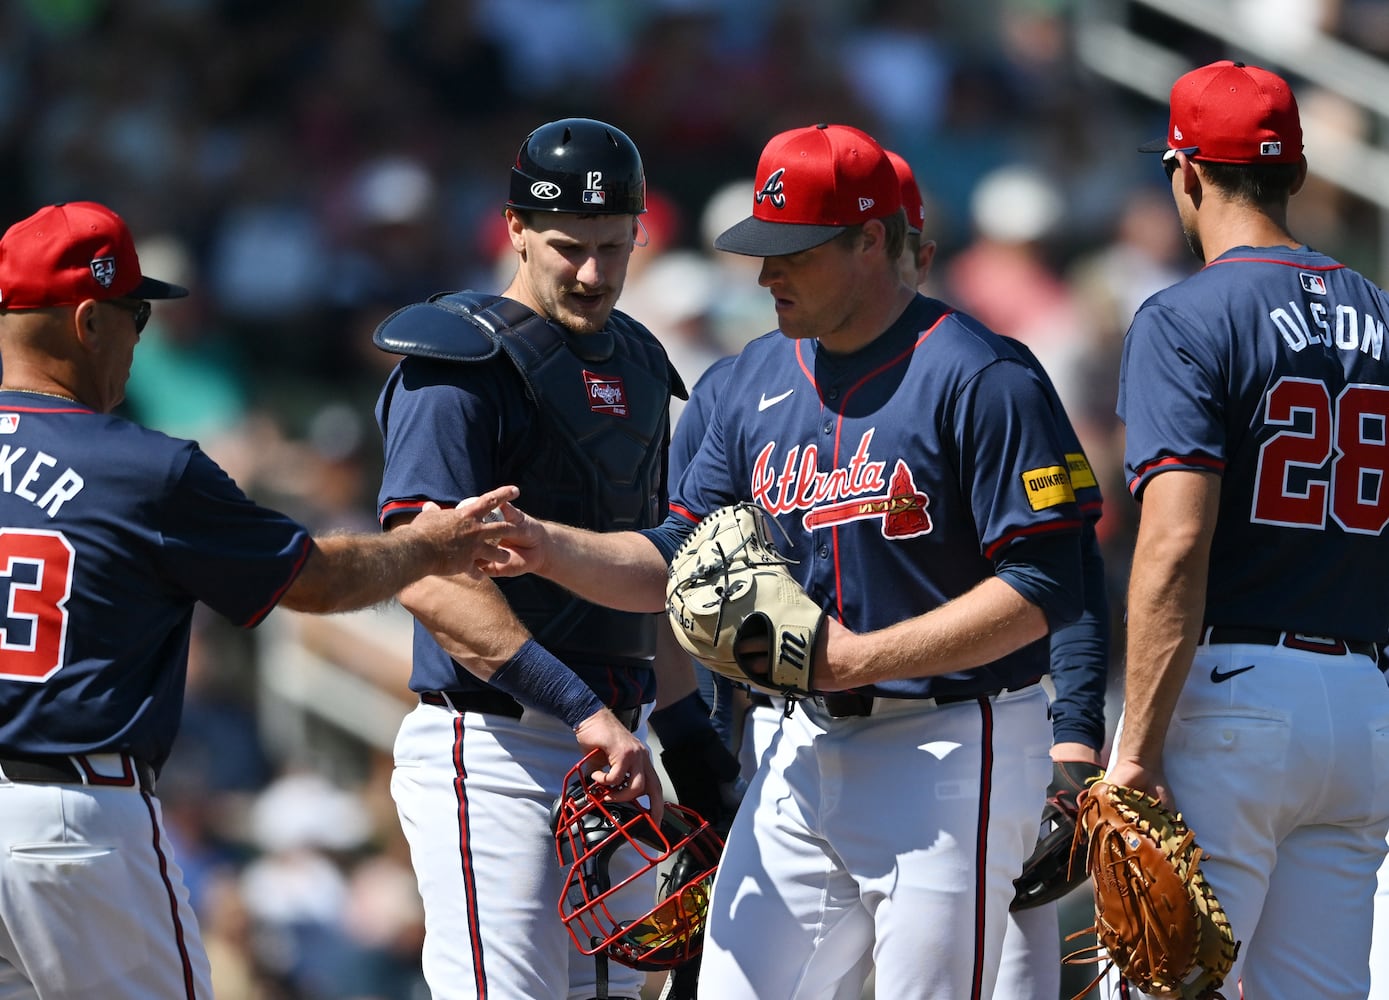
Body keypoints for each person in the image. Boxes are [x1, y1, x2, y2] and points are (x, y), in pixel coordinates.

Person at [483, 122, 1087, 999]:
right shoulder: (744, 381)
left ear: (870, 240)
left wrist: (861, 659)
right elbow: (672, 559)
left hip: (953, 743)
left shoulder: (982, 376)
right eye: (760, 251)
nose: (765, 274)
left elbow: (1046, 583)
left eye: (793, 253)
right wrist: (547, 547)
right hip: (795, 746)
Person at [0, 200, 516, 1000]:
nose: (142, 337)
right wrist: (430, 544)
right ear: (89, 322)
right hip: (75, 826)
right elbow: (314, 579)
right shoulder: (143, 470)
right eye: (136, 312)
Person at [372, 117, 711, 1000]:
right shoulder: (458, 360)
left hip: (611, 747)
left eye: (614, 244)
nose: (594, 271)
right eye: (569, 246)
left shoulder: (640, 360)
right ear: (515, 227)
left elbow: (650, 575)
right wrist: (581, 710)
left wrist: (693, 744)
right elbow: (423, 572)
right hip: (493, 741)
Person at [1105, 60, 1389, 1000]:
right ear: (1295, 176)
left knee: (1154, 985)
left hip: (1233, 699)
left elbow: (1175, 543)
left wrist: (1134, 749)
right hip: (1361, 701)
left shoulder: (1185, 317)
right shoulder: (1382, 316)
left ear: (1183, 173)